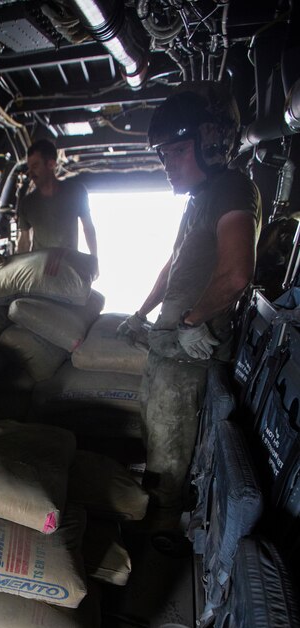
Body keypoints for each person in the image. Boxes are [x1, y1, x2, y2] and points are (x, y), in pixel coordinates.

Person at [116, 82, 262, 544]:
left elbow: (237, 273)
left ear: (212, 144)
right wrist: (141, 313)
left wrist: (192, 322)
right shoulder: (200, 200)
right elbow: (173, 265)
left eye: (177, 151)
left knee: (169, 454)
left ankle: (157, 542)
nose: (167, 164)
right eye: (163, 155)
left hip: (189, 354)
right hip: (169, 346)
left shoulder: (232, 188)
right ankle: (152, 515)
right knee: (155, 441)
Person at [16, 138, 98, 273]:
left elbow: (88, 227)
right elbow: (25, 241)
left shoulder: (76, 192)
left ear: (51, 164)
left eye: (35, 166)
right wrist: (19, 269)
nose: (30, 173)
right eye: (29, 168)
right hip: (39, 271)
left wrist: (94, 260)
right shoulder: (27, 203)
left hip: (68, 268)